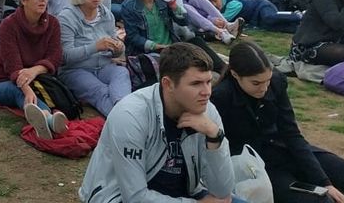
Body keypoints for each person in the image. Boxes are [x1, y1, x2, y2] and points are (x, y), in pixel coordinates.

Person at [78, 42, 237, 203]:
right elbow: (135, 197)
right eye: (196, 84)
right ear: (168, 84)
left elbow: (222, 191)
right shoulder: (130, 115)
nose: (207, 92)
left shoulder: (207, 111)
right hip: (118, 197)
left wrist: (215, 137)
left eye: (209, 81)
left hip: (184, 194)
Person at [212, 41, 344, 203]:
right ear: (236, 75)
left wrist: (324, 181)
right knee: (319, 200)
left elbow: (291, 132)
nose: (264, 88)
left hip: (286, 149)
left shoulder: (277, 82)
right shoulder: (220, 97)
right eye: (256, 83)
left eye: (267, 80)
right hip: (255, 165)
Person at [0, 0, 69, 139]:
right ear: (23, 0)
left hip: (39, 78)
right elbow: (12, 65)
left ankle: (45, 118)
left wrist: (34, 70)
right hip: (6, 81)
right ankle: (46, 118)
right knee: (21, 92)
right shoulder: (9, 25)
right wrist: (26, 87)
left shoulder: (53, 23)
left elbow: (55, 56)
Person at [122, 0, 227, 71]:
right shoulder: (129, 6)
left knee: (196, 42)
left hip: (170, 46)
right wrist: (156, 46)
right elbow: (133, 37)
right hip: (148, 51)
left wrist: (173, 4)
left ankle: (225, 70)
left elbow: (184, 21)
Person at [57, 0, 130, 117]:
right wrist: (95, 47)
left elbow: (115, 45)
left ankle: (122, 109)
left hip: (104, 65)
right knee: (100, 91)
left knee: (122, 73)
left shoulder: (106, 14)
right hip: (76, 70)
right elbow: (64, 56)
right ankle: (123, 118)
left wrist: (118, 47)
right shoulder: (66, 18)